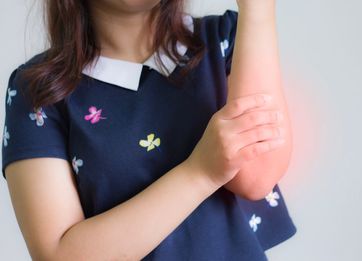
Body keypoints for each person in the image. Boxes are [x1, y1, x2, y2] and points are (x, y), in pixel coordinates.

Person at [2, 0, 297, 260]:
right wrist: (200, 172)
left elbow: (257, 177)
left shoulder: (224, 40)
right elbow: (59, 255)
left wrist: (258, 11)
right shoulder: (38, 91)